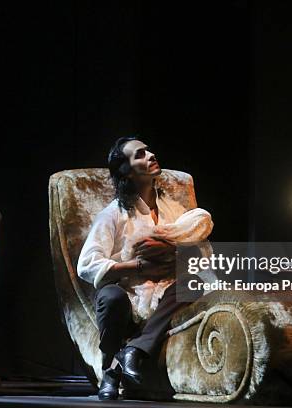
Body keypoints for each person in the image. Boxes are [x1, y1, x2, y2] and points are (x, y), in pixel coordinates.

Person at [77, 136, 213, 400]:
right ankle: (111, 366)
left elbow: (202, 252)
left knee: (194, 282)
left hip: (165, 293)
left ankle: (127, 358)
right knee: (111, 297)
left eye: (149, 150)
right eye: (139, 154)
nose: (150, 155)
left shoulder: (174, 210)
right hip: (126, 292)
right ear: (126, 170)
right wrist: (137, 266)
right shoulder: (114, 214)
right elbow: (87, 264)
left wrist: (172, 253)